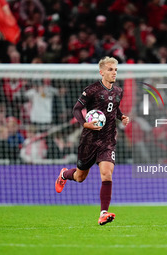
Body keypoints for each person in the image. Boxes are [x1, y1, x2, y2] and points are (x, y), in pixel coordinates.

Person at [55, 56, 129, 225]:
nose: (114, 73)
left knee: (107, 174)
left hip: (108, 140)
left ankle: (103, 213)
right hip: (89, 140)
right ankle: (64, 174)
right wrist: (85, 124)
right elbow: (77, 109)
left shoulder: (118, 91)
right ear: (101, 72)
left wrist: (122, 116)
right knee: (80, 177)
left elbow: (114, 109)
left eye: (115, 70)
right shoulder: (92, 90)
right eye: (110, 70)